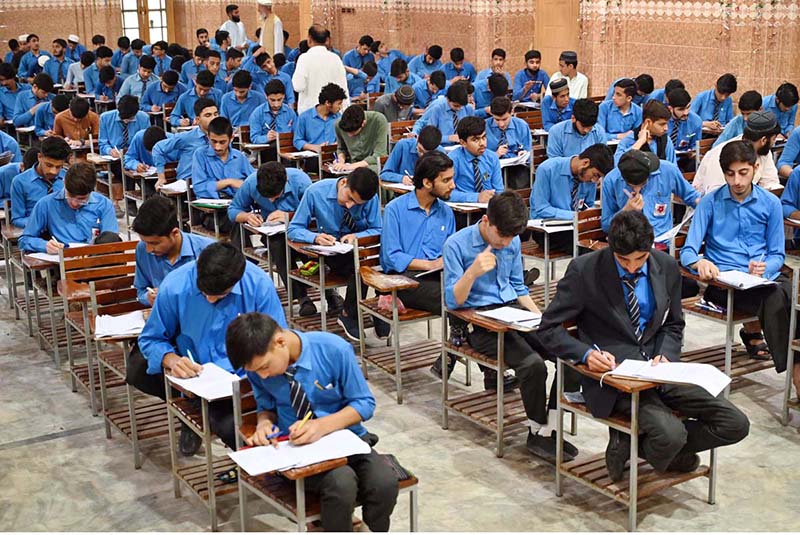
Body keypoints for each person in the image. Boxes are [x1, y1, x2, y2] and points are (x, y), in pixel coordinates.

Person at [539, 210, 749, 481]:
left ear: (650, 248)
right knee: (671, 434)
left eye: (639, 259)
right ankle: (665, 450)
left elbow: (673, 324)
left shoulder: (666, 266)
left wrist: (666, 353)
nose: (631, 267)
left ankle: (635, 445)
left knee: (735, 423)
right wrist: (586, 354)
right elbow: (548, 329)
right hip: (614, 379)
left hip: (660, 370)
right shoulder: (585, 270)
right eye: (623, 260)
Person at [225, 312, 399, 532]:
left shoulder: (333, 349)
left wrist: (321, 426)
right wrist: (263, 424)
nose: (264, 376)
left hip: (347, 439)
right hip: (298, 451)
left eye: (265, 367)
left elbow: (364, 403)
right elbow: (266, 408)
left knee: (384, 483)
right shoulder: (259, 372)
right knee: (341, 483)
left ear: (280, 342)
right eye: (256, 371)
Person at [444, 191, 576, 460]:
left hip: (512, 313)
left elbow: (518, 286)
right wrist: (472, 272)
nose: (505, 243)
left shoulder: (512, 241)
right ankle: (536, 431)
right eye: (501, 236)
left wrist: (542, 320)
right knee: (532, 365)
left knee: (568, 354)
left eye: (511, 238)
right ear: (486, 220)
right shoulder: (456, 245)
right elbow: (452, 301)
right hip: (477, 321)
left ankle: (550, 427)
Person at [135, 242, 286, 455]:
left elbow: (278, 342)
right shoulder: (175, 285)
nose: (210, 299)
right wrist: (171, 360)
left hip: (249, 379)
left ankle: (269, 470)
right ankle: (194, 408)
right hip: (197, 375)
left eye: (220, 295)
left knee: (255, 426)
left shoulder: (258, 285)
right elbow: (151, 339)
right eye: (204, 292)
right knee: (138, 369)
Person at [681, 140, 798, 394]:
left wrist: (765, 269)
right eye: (730, 174)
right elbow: (687, 251)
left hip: (760, 280)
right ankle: (795, 372)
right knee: (778, 296)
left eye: (743, 173)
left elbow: (778, 254)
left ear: (755, 168)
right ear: (723, 173)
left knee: (789, 293)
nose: (737, 181)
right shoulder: (710, 202)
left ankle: (795, 364)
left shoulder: (770, 203)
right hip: (724, 285)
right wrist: (699, 261)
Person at [286, 169, 387, 340]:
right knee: (362, 266)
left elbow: (378, 229)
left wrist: (357, 236)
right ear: (343, 183)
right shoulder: (316, 192)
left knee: (375, 261)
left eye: (357, 204)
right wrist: (316, 237)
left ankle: (375, 308)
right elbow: (293, 229)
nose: (350, 206)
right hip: (332, 253)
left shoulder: (369, 198)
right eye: (349, 199)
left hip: (358, 251)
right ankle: (350, 314)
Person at [228, 161, 313, 313]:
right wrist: (246, 216)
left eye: (276, 196)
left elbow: (317, 215)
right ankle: (302, 298)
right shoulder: (251, 182)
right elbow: (233, 209)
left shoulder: (301, 182)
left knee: (307, 251)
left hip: (303, 231)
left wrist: (290, 216)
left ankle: (330, 295)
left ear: (285, 182)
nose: (271, 201)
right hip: (273, 233)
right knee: (278, 246)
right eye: (266, 197)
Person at [601, 150, 700, 246]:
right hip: (628, 244)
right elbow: (606, 225)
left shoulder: (668, 170)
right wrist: (625, 211)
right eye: (631, 186)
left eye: (643, 184)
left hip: (662, 242)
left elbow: (692, 197)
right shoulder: (611, 180)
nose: (637, 190)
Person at [18, 161, 119, 253]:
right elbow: (24, 239)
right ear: (64, 182)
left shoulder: (104, 204)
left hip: (96, 259)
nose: (74, 203)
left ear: (92, 190)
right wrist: (44, 245)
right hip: (63, 259)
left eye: (82, 199)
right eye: (70, 196)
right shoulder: (46, 204)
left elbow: (111, 241)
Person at [132, 196, 213, 307]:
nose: (149, 249)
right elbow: (141, 290)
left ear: (175, 233)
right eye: (144, 242)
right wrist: (148, 297)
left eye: (154, 243)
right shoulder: (142, 250)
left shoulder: (208, 250)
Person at [530, 143, 614, 251]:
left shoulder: (589, 180)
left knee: (614, 241)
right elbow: (542, 208)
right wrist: (576, 216)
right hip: (548, 230)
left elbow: (589, 204)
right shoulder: (547, 169)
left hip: (577, 227)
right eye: (595, 175)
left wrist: (588, 215)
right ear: (585, 163)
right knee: (589, 249)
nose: (595, 181)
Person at [693, 110, 781, 195]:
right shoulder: (725, 154)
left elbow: (770, 183)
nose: (773, 143)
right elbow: (715, 196)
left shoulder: (763, 151)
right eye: (773, 139)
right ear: (763, 140)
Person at [191, 116, 251, 233]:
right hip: (213, 214)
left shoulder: (239, 156)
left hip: (239, 206)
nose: (217, 147)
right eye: (213, 141)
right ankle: (237, 252)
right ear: (208, 137)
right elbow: (199, 188)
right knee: (238, 223)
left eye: (222, 142)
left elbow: (253, 180)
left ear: (231, 138)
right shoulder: (200, 155)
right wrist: (228, 182)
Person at [153, 98, 219, 185]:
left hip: (211, 183)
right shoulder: (187, 137)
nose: (213, 118)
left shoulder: (221, 137)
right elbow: (158, 148)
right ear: (198, 120)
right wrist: (161, 177)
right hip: (187, 183)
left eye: (216, 114)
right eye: (208, 115)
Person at [10, 136, 71, 228]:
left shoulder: (68, 178)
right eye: (49, 165)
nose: (53, 171)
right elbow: (17, 219)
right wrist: (40, 223)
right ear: (39, 157)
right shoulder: (20, 182)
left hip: (64, 230)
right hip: (36, 232)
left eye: (58, 167)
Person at [292, 24, 349, 114]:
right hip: (333, 112)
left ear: (309, 39)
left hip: (310, 113)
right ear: (326, 40)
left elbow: (298, 86)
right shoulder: (336, 58)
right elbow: (343, 87)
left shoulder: (304, 58)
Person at [448, 116, 503, 206]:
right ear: (463, 143)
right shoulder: (453, 159)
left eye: (484, 137)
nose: (482, 143)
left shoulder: (492, 157)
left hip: (489, 208)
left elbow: (499, 190)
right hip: (463, 210)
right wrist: (476, 197)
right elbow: (447, 193)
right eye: (475, 140)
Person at [485, 96, 532, 189]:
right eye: (497, 120)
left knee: (522, 184)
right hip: (491, 167)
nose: (501, 124)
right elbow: (480, 156)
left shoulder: (522, 125)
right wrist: (495, 154)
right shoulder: (484, 126)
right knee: (486, 181)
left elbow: (529, 150)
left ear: (512, 112)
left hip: (517, 166)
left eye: (504, 119)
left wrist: (525, 154)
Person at [614, 100, 676, 164]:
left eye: (666, 124)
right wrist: (640, 142)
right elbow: (617, 165)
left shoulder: (666, 140)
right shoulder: (629, 140)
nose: (666, 128)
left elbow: (674, 167)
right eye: (662, 124)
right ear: (648, 122)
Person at [333, 106, 388, 174]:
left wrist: (351, 167)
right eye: (346, 132)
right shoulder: (338, 124)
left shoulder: (378, 120)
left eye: (353, 132)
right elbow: (341, 148)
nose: (349, 135)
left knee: (370, 172)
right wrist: (340, 161)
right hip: (352, 162)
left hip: (372, 164)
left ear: (363, 123)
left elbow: (380, 154)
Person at [293, 83, 345, 153]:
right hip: (313, 155)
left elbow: (343, 138)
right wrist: (315, 147)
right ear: (328, 103)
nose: (340, 107)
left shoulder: (338, 117)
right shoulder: (304, 117)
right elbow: (297, 141)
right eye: (339, 103)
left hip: (333, 154)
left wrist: (336, 144)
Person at [249, 78, 297, 148]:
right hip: (267, 149)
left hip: (286, 147)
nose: (276, 104)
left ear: (284, 96)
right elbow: (254, 138)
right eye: (272, 100)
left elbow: (297, 135)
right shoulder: (257, 113)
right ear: (266, 96)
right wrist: (266, 138)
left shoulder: (290, 112)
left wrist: (282, 136)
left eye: (279, 100)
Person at [666, 88, 704, 157]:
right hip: (664, 156)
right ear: (670, 109)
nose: (686, 112)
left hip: (684, 157)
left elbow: (695, 145)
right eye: (681, 109)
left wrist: (693, 152)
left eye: (688, 107)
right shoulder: (662, 119)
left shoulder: (696, 121)